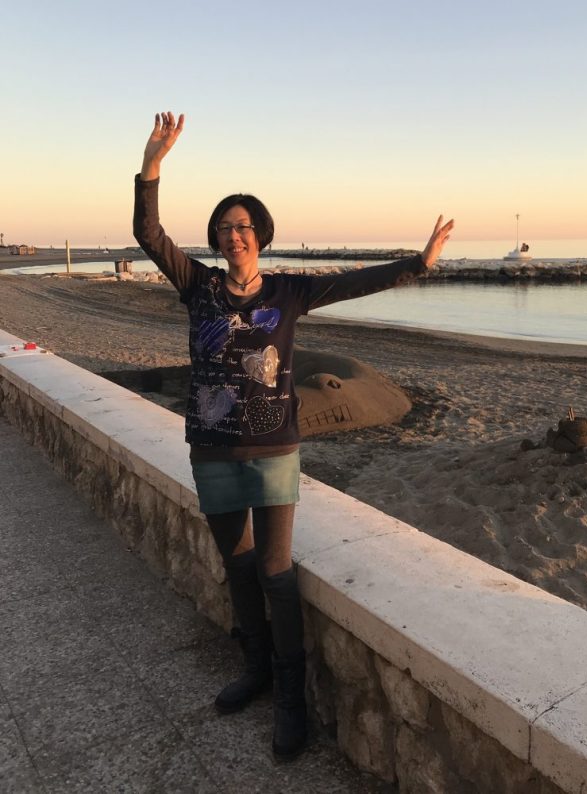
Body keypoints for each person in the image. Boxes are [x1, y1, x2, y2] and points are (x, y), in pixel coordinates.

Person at [133, 111, 454, 760]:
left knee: (276, 571)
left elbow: (355, 282)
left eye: (244, 226)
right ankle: (254, 669)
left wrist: (418, 264)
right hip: (213, 451)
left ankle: (289, 697)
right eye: (225, 228)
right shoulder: (197, 286)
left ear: (261, 234)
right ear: (216, 239)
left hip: (275, 450)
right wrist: (152, 166)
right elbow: (148, 233)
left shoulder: (289, 291)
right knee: (238, 564)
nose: (234, 235)